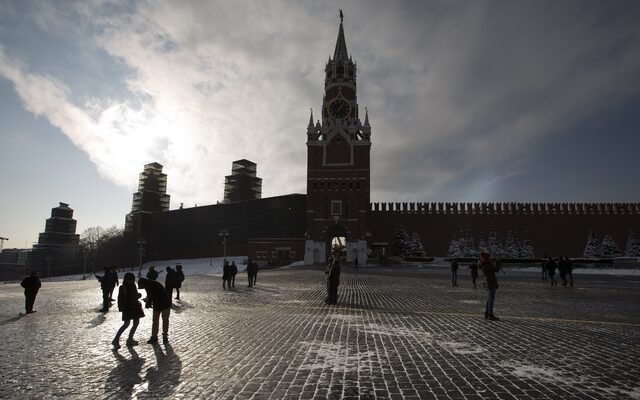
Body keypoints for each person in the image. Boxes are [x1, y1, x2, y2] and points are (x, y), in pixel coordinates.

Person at [112, 273, 145, 349]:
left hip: (135, 307)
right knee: (126, 324)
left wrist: (138, 295)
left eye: (132, 280)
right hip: (127, 308)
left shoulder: (133, 285)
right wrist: (121, 309)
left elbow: (134, 295)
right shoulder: (122, 287)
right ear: (126, 280)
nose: (131, 281)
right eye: (129, 280)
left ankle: (130, 339)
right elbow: (120, 299)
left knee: (136, 323)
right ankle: (116, 339)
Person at [138, 277, 172, 344]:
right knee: (161, 320)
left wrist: (148, 302)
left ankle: (158, 336)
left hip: (164, 304)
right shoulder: (150, 284)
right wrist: (148, 301)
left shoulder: (150, 285)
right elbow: (150, 296)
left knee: (160, 320)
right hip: (159, 304)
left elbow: (151, 295)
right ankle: (159, 336)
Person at [479, 252, 500, 320]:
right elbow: (495, 269)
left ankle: (487, 313)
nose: (490, 258)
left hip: (488, 282)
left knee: (489, 299)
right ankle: (490, 314)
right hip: (490, 282)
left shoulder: (484, 263)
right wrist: (498, 262)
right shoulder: (486, 264)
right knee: (491, 299)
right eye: (488, 257)